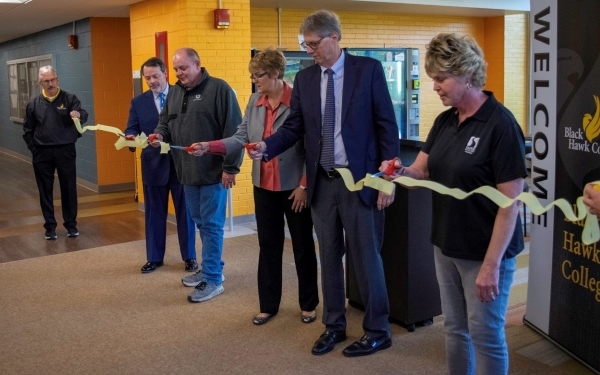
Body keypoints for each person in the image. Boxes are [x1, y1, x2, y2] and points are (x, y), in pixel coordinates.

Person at [248, 10, 398, 357]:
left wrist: (387, 182)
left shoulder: (368, 71)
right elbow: (295, 127)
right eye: (306, 44)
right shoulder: (305, 79)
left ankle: (378, 329)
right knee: (328, 257)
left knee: (366, 258)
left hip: (362, 182)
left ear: (334, 37)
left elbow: (387, 128)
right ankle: (334, 326)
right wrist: (267, 146)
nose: (310, 50)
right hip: (323, 184)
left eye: (314, 43)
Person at [381, 33, 527, 374]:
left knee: (485, 333)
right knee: (454, 329)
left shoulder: (501, 126)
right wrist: (397, 171)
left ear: (466, 74)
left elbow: (511, 205)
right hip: (445, 244)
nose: (435, 87)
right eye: (433, 79)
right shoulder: (445, 121)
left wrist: (491, 266)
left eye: (441, 79)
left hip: (484, 252)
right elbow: (421, 170)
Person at [191, 49, 319, 325]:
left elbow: (313, 146)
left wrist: (304, 184)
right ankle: (269, 305)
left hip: (294, 186)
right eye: (252, 76)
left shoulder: (300, 99)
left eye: (258, 75)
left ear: (275, 74)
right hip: (264, 184)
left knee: (302, 246)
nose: (254, 80)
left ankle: (309, 304)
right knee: (268, 245)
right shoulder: (253, 100)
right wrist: (210, 146)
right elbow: (241, 136)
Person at [151, 47, 243, 303]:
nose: (179, 73)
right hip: (186, 172)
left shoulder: (219, 89)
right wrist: (159, 136)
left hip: (214, 173)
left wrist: (230, 168)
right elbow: (164, 123)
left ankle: (213, 279)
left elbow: (236, 133)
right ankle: (212, 268)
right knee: (201, 223)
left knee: (212, 226)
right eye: (176, 69)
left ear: (197, 65)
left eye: (183, 68)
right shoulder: (175, 91)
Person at [124, 57, 197, 274]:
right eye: (147, 78)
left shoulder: (183, 94)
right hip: (153, 166)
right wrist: (129, 137)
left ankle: (190, 257)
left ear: (166, 73)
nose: (152, 81)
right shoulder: (138, 102)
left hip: (181, 164)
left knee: (186, 213)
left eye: (155, 76)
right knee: (154, 213)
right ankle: (154, 258)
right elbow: (132, 128)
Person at [23, 65, 88, 240]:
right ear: (40, 83)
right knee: (45, 190)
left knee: (68, 188)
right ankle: (50, 227)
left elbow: (83, 114)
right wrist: (35, 150)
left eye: (52, 80)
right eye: (46, 81)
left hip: (65, 150)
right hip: (42, 152)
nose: (50, 83)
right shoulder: (33, 103)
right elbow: (28, 130)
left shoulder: (69, 98)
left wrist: (78, 115)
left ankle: (71, 225)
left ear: (57, 79)